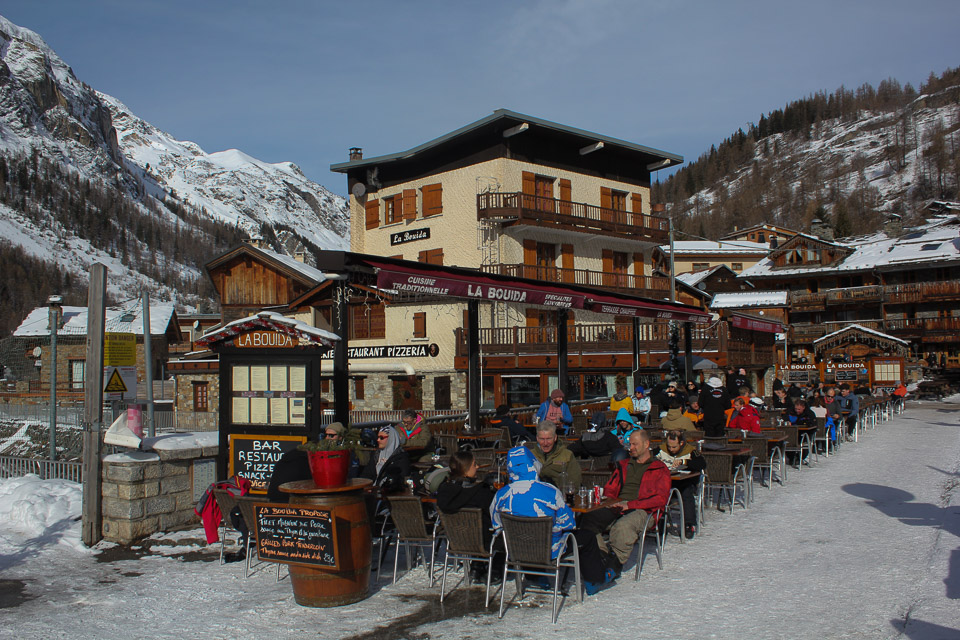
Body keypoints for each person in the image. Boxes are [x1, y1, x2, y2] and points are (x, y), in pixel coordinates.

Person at [576, 430, 671, 578]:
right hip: (619, 504)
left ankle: (614, 563)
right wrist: (610, 500)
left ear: (646, 444)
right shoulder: (623, 465)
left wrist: (631, 505)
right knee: (587, 519)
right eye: (629, 444)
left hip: (644, 509)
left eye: (635, 444)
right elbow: (610, 488)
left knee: (623, 527)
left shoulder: (659, 468)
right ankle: (600, 555)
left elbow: (660, 499)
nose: (630, 448)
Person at [491, 447, 575, 562]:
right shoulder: (551, 491)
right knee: (588, 538)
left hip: (515, 551)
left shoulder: (501, 495)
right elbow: (569, 524)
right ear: (534, 464)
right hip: (549, 552)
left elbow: (496, 523)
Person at [437, 450, 501, 582]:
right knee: (502, 530)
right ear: (465, 470)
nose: (477, 467)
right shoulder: (481, 493)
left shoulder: (444, 491)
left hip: (455, 540)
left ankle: (477, 566)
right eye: (474, 464)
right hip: (483, 542)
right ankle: (495, 568)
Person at [266, 422, 356, 503]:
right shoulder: (316, 456)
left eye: (331, 436)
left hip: (279, 495)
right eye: (326, 435)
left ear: (341, 437)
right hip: (288, 497)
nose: (327, 438)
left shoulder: (299, 456)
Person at [654, 430, 706, 538]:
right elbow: (648, 457)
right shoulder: (661, 449)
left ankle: (689, 524)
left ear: (681, 443)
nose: (671, 449)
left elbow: (702, 464)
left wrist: (685, 462)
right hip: (666, 482)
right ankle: (659, 524)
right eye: (669, 446)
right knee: (656, 492)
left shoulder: (690, 451)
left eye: (674, 447)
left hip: (684, 482)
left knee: (686, 493)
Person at [525, 420, 581, 489]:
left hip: (559, 493)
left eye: (549, 439)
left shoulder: (567, 455)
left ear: (555, 438)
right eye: (542, 439)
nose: (545, 443)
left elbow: (575, 483)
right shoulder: (529, 456)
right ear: (537, 438)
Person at [360, 425, 410, 491]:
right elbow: (366, 475)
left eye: (381, 438)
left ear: (390, 439)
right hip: (371, 489)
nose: (378, 440)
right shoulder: (376, 455)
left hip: (388, 491)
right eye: (378, 437)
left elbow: (399, 479)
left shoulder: (401, 458)